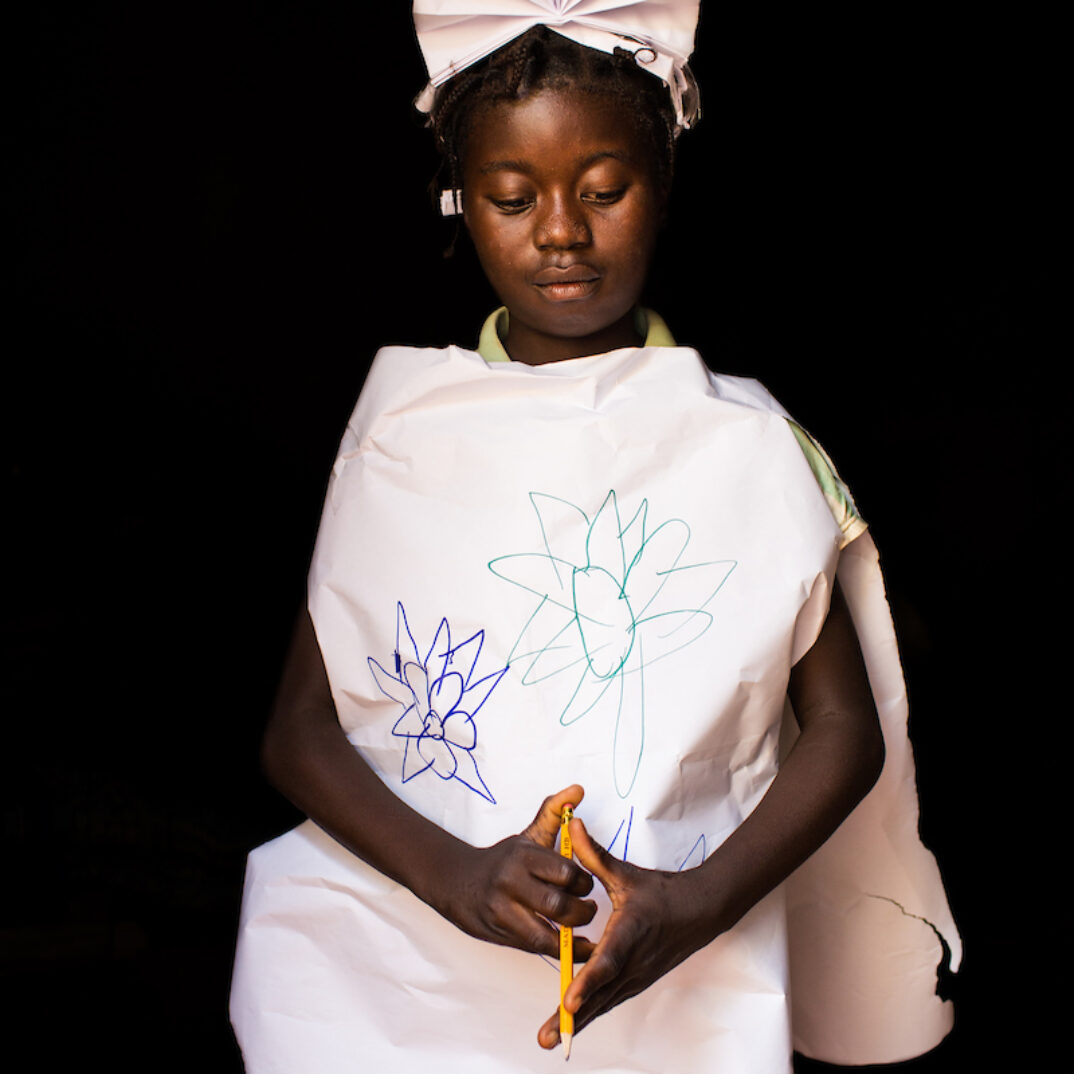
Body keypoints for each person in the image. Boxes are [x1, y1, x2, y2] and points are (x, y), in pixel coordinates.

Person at [230, 8, 959, 1072]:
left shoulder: (746, 444)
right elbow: (299, 732)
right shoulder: (405, 435)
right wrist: (456, 878)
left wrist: (697, 903)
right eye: (513, 198)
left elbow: (844, 727)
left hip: (680, 969)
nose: (561, 230)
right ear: (460, 202)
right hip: (402, 984)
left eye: (603, 190)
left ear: (661, 187)